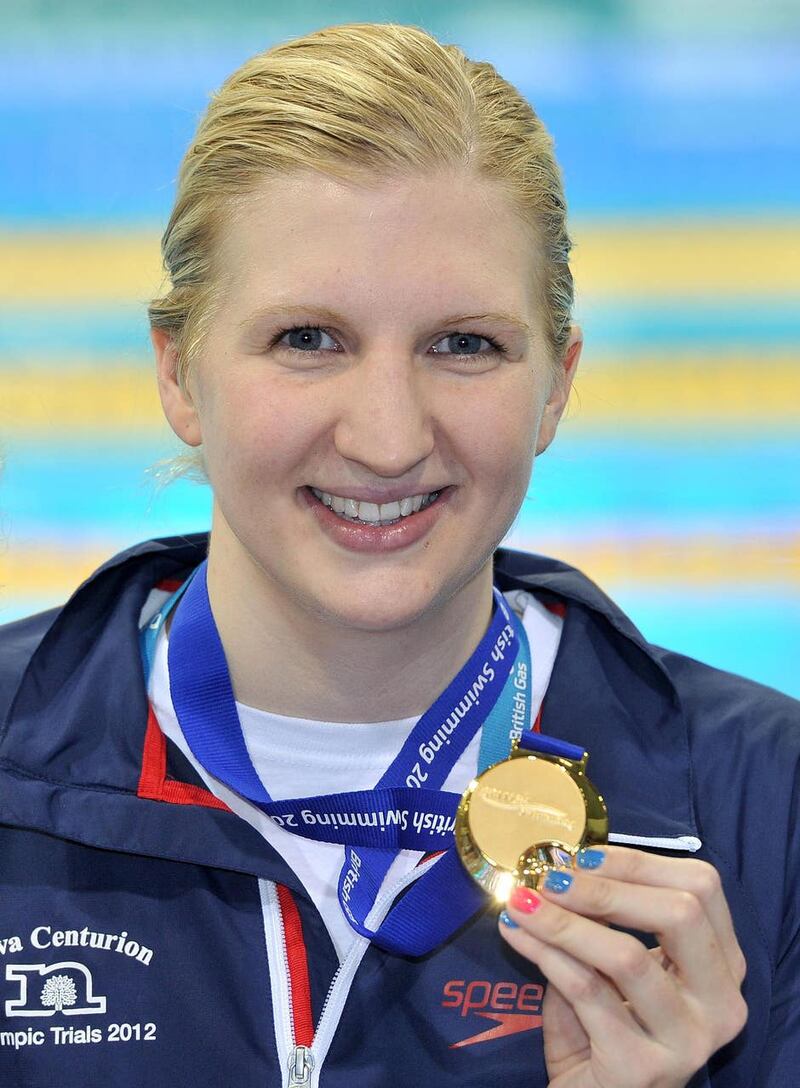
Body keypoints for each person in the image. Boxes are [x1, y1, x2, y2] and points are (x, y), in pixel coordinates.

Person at [0, 21, 797, 1088]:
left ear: (555, 381)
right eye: (307, 339)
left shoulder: (764, 804)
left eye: (463, 344)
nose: (387, 437)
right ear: (180, 373)